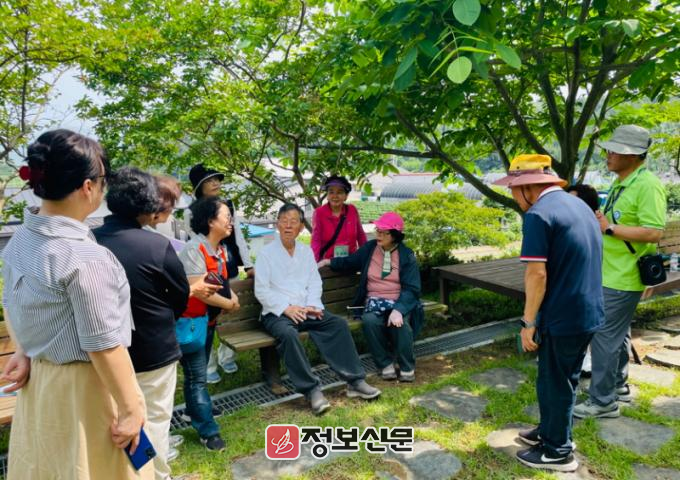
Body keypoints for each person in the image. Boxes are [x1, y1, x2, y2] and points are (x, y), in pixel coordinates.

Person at [0, 130, 152, 479]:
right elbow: (104, 346)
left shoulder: (22, 239)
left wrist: (25, 349)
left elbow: (15, 302)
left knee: (49, 468)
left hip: (41, 386)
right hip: (87, 390)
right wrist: (131, 408)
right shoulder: (84, 257)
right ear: (88, 187)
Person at [93, 168, 220, 479]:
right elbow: (178, 297)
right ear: (147, 204)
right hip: (154, 350)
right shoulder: (155, 246)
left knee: (121, 419)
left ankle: (131, 471)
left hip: (105, 353)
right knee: (154, 420)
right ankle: (155, 474)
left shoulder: (90, 241)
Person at [493, 154, 604, 472]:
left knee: (555, 382)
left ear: (527, 186)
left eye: (513, 189)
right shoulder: (578, 205)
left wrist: (528, 321)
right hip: (587, 308)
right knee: (561, 378)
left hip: (563, 313)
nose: (513, 196)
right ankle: (551, 431)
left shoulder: (539, 214)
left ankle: (558, 451)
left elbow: (536, 274)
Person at [574, 125, 666, 419]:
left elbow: (653, 232)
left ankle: (602, 402)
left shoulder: (647, 185)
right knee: (618, 333)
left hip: (623, 276)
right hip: (611, 272)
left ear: (634, 155)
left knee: (603, 337)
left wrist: (609, 228)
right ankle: (618, 386)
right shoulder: (622, 182)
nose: (608, 154)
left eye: (615, 150)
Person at [255, 203, 381, 414]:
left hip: (306, 310)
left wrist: (313, 305)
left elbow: (315, 282)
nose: (288, 225)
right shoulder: (266, 254)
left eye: (293, 221)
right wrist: (286, 309)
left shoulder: (305, 252)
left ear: (300, 227)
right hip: (277, 313)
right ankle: (312, 390)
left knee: (337, 324)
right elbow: (262, 290)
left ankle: (355, 381)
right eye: (284, 221)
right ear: (277, 225)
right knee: (288, 335)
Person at [318, 212, 422, 382]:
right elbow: (350, 261)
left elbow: (412, 289)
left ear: (395, 235)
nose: (378, 235)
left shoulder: (406, 255)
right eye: (377, 230)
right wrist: (328, 262)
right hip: (374, 301)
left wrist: (398, 310)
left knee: (400, 324)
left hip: (398, 301)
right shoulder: (370, 248)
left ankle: (407, 366)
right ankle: (385, 364)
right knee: (369, 321)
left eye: (383, 232)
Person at [176, 196, 241, 451]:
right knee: (196, 378)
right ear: (211, 221)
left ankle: (195, 409)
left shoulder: (220, 249)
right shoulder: (195, 250)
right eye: (226, 216)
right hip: (191, 323)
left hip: (207, 321)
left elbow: (221, 283)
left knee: (197, 375)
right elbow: (199, 290)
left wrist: (232, 298)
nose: (230, 221)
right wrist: (230, 304)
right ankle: (208, 432)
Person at [188, 163, 253, 381]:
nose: (216, 183)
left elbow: (239, 237)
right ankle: (209, 364)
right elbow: (194, 240)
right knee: (207, 316)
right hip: (204, 271)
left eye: (217, 179)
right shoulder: (191, 212)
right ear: (199, 187)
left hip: (228, 266)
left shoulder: (228, 206)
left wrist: (249, 265)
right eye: (209, 181)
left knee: (230, 314)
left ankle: (227, 357)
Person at [311, 175, 367, 261]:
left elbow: (360, 235)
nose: (335, 196)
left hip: (350, 261)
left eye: (339, 192)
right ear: (327, 195)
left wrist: (366, 256)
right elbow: (316, 240)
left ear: (346, 196)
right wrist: (314, 263)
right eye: (331, 192)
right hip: (328, 262)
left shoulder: (352, 210)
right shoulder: (319, 213)